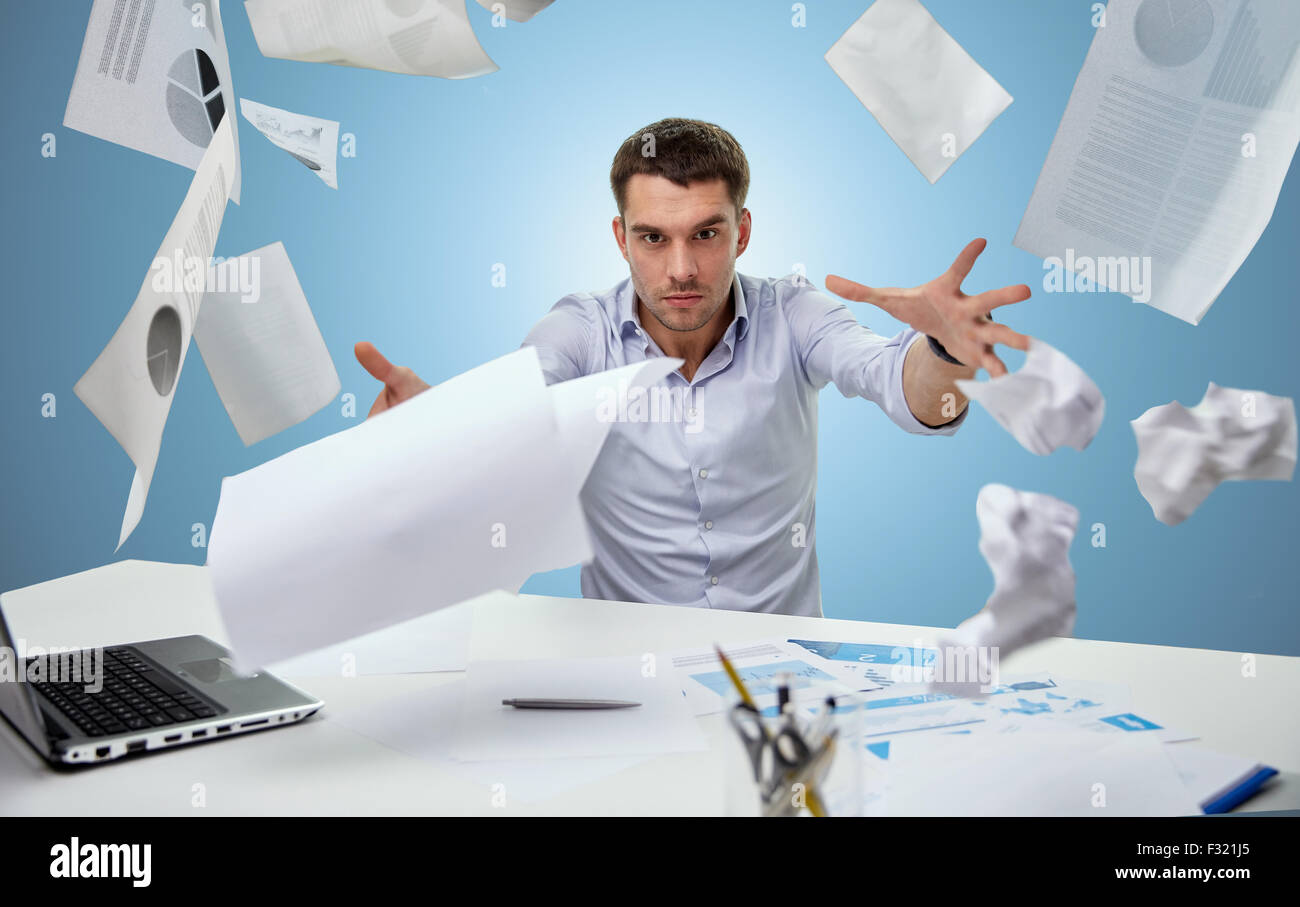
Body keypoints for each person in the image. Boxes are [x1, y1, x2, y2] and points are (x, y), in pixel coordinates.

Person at [355, 118, 1031, 617]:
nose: (680, 269)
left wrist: (943, 352)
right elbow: (511, 418)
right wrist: (437, 427)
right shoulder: (579, 333)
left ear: (741, 231)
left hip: (785, 676)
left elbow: (900, 385)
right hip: (624, 676)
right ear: (622, 238)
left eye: (705, 234)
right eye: (653, 237)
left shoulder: (794, 315)